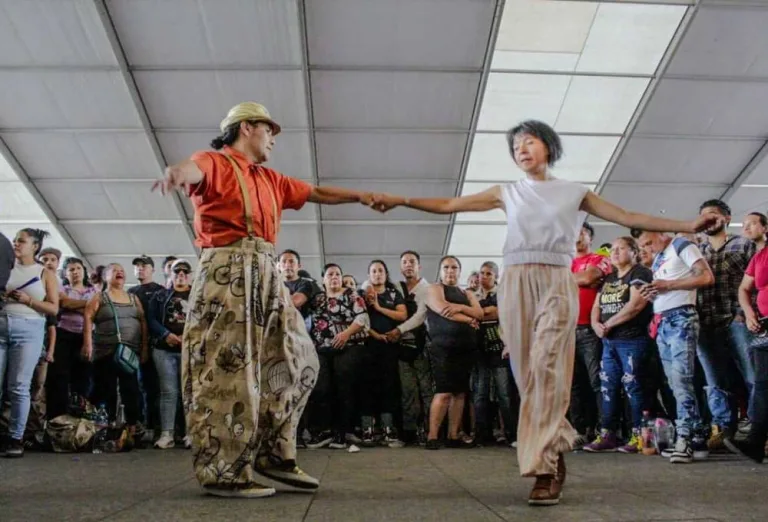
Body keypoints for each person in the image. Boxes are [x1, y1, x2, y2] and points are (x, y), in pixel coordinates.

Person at [369, 120, 722, 506]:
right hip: (516, 282)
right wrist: (402, 200)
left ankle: (547, 466)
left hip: (556, 279)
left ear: (548, 147)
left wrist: (689, 224)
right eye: (515, 146)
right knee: (527, 377)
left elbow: (628, 217)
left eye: (529, 142)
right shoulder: (508, 192)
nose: (521, 149)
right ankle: (552, 448)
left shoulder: (574, 192)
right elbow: (450, 204)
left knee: (548, 369)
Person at [153, 101, 377, 498]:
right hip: (225, 271)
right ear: (246, 128)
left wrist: (362, 196)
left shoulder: (271, 179)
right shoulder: (213, 161)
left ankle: (273, 453)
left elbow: (317, 191)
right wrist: (176, 173)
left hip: (266, 271)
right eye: (268, 129)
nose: (273, 137)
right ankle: (224, 470)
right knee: (227, 371)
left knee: (298, 360)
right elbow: (193, 170)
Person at [585, 237, 653, 454]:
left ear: (634, 252)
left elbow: (636, 305)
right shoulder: (609, 278)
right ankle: (608, 433)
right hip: (609, 341)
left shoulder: (640, 273)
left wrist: (609, 323)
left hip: (632, 339)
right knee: (608, 386)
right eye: (612, 249)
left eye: (621, 248)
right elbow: (596, 305)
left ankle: (638, 435)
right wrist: (596, 324)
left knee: (633, 386)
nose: (615, 252)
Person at [0, 229, 59, 457]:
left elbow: (53, 308)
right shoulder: (6, 267)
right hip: (2, 324)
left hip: (30, 329)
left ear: (35, 246)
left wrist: (29, 300)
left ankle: (16, 438)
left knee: (19, 386)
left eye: (21, 241)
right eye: (15, 240)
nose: (16, 244)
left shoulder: (45, 273)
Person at [82, 263, 148, 440]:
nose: (120, 272)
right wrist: (87, 344)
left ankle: (132, 427)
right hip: (105, 352)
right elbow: (88, 318)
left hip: (129, 355)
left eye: (122, 270)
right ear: (105, 277)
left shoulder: (133, 298)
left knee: (131, 390)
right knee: (105, 388)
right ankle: (105, 425)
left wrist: (144, 348)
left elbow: (142, 322)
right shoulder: (99, 297)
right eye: (115, 270)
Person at [148, 259, 193, 449]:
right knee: (168, 392)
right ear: (170, 274)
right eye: (177, 271)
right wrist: (166, 334)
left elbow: (206, 319)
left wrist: (188, 336)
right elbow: (151, 319)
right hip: (164, 350)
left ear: (190, 275)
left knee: (190, 393)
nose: (180, 274)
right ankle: (167, 433)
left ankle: (190, 433)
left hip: (190, 350)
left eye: (184, 271)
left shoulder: (198, 296)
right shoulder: (159, 296)